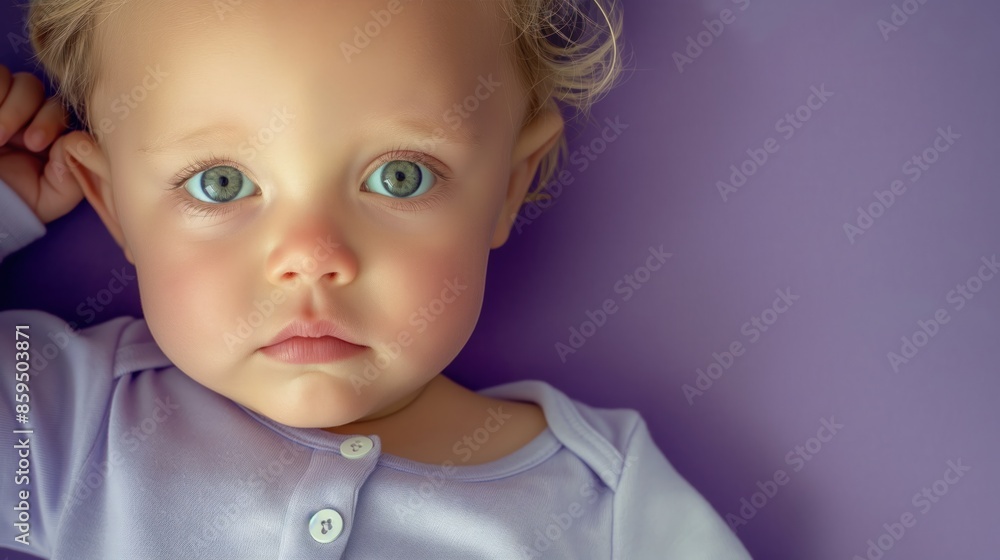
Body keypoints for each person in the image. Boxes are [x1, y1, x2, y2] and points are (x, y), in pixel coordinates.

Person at [0, 0, 751, 557]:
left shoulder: (609, 507)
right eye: (219, 184)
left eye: (399, 176)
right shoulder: (70, 421)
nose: (311, 255)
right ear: (114, 205)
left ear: (507, 184)